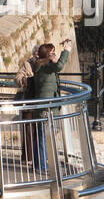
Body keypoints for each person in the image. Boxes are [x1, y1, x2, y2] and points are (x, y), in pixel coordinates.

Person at [29, 38, 72, 173]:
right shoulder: (45, 67)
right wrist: (66, 51)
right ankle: (41, 167)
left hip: (44, 107)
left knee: (41, 137)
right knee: (42, 137)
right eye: (53, 53)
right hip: (45, 108)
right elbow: (59, 66)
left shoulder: (42, 65)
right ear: (47, 55)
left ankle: (39, 164)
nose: (55, 55)